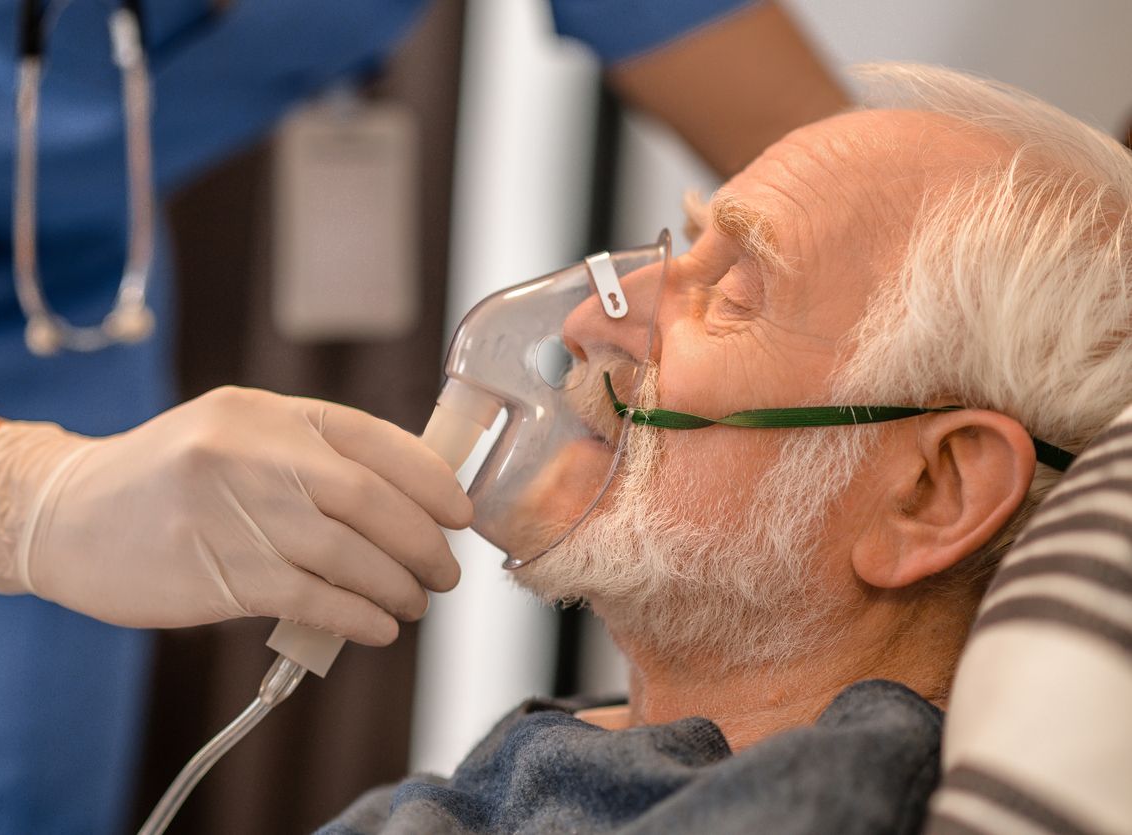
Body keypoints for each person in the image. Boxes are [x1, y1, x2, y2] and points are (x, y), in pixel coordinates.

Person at [0, 1, 848, 831]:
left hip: (58, 312)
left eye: (728, 293)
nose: (600, 314)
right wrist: (19, 501)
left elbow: (863, 202)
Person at [318, 62, 1132, 833]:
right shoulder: (574, 756)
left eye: (731, 294)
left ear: (930, 492)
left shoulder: (834, 793)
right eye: (685, 247)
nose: (587, 320)